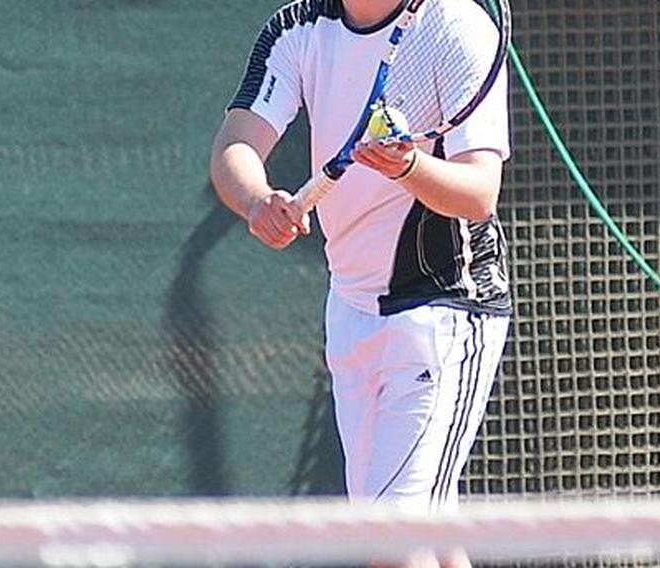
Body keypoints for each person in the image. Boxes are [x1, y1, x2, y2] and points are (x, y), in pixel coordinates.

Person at [210, 0, 510, 566]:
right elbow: (237, 144)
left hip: (442, 314)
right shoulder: (297, 28)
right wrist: (256, 202)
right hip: (350, 311)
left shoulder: (457, 26)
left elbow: (478, 195)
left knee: (390, 547)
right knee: (432, 538)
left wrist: (407, 168)